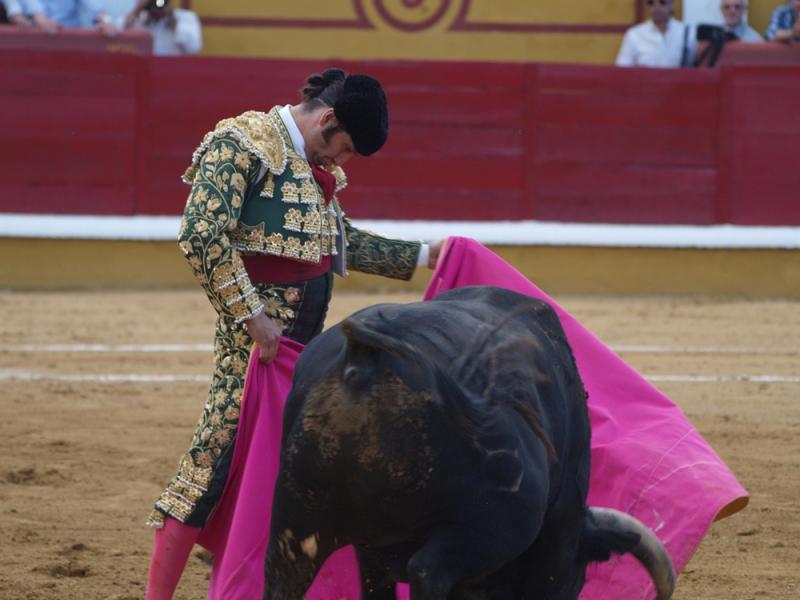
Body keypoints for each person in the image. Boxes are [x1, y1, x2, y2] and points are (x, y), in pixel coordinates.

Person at [145, 67, 442, 599]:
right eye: (344, 148)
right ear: (326, 119)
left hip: (302, 356)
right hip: (252, 355)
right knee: (212, 468)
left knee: (284, 479)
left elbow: (339, 241)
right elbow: (199, 234)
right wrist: (251, 316)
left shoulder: (310, 163)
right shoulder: (240, 143)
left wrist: (424, 256)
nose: (341, 162)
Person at [616, 0, 696, 67]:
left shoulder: (688, 33)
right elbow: (623, 69)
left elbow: (695, 67)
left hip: (678, 84)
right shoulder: (634, 35)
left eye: (662, 2)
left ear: (672, 5)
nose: (656, 7)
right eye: (651, 3)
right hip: (645, 85)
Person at [122, 0, 201, 56]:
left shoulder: (185, 17)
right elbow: (118, 39)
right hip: (142, 69)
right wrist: (137, 11)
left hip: (172, 70)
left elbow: (193, 48)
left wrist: (173, 22)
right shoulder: (138, 18)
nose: (156, 4)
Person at [18, 0, 116, 34]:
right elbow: (37, 14)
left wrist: (106, 22)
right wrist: (43, 22)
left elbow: (95, 8)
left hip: (72, 41)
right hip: (40, 42)